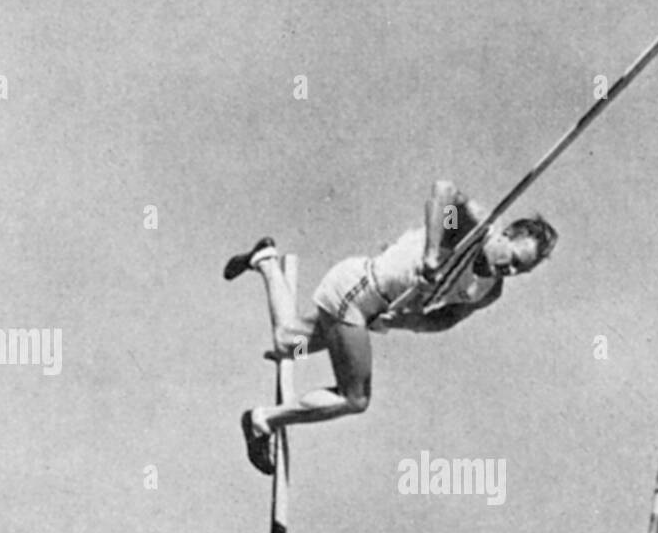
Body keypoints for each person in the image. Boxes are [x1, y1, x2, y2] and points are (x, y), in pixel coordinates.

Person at [226, 180, 558, 473]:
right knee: (355, 398)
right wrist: (431, 252)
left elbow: (446, 319)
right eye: (513, 259)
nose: (510, 271)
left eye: (520, 271)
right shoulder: (472, 228)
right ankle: (262, 420)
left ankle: (265, 260)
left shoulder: (488, 290)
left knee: (289, 344)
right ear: (507, 235)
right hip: (355, 293)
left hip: (365, 312)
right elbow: (444, 193)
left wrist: (406, 321)